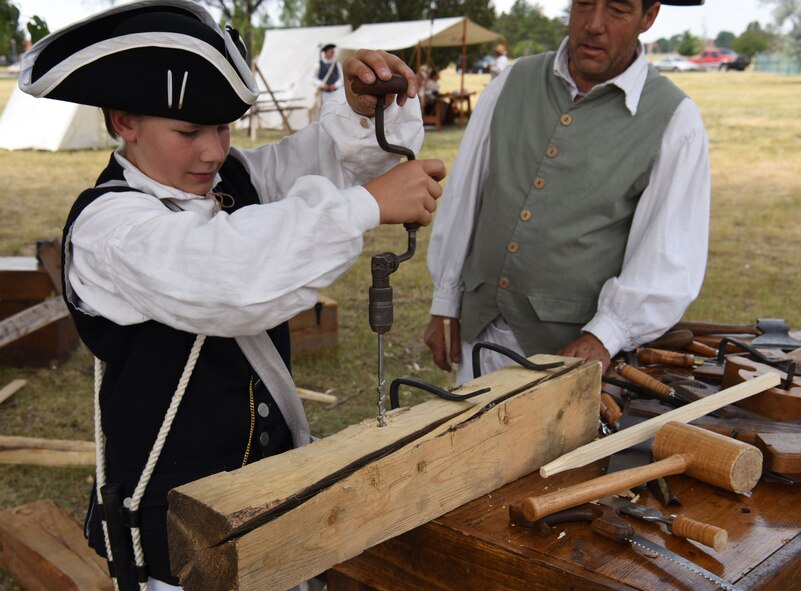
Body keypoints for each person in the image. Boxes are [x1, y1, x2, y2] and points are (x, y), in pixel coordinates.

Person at [18, 2, 444, 590]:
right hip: (173, 546)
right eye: (189, 132)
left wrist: (360, 110)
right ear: (124, 121)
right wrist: (367, 205)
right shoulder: (108, 229)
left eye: (223, 128)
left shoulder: (230, 178)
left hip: (262, 512)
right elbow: (230, 274)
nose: (213, 152)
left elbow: (316, 163)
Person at [425, 0, 710, 386]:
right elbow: (464, 195)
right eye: (584, 4)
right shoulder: (513, 81)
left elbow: (668, 253)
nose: (593, 25)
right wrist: (446, 298)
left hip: (571, 356)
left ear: (648, 17)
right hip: (482, 334)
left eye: (617, 10)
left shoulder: (675, 121)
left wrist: (605, 334)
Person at [311, 43, 344, 108]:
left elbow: (342, 77)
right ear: (326, 53)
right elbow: (313, 78)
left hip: (335, 92)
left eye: (333, 52)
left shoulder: (336, 63)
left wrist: (335, 85)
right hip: (324, 93)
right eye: (331, 51)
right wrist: (322, 84)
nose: (332, 53)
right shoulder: (318, 64)